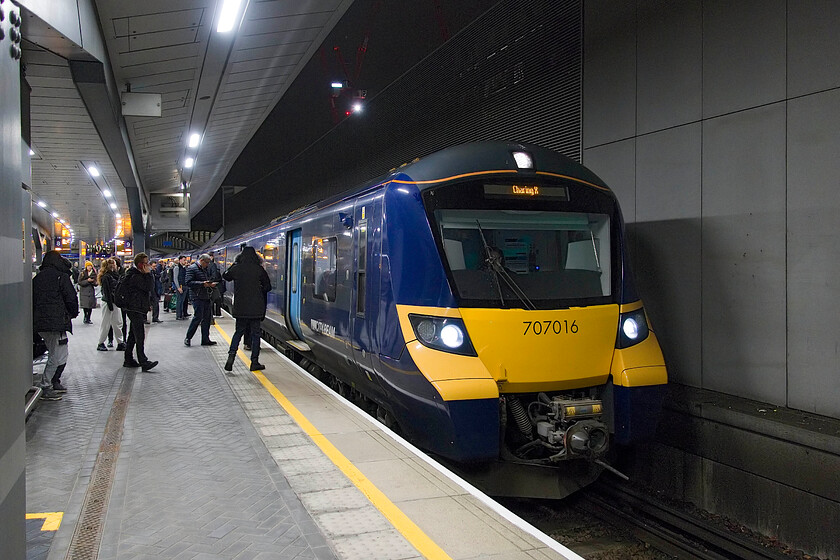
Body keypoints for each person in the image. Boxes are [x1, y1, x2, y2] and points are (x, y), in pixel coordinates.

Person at [32, 250, 79, 400]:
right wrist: (72, 313)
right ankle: (46, 386)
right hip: (56, 323)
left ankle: (53, 381)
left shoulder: (37, 278)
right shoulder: (61, 277)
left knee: (59, 352)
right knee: (56, 355)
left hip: (40, 323)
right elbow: (71, 298)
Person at [222, 246, 272, 371]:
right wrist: (258, 289)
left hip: (241, 307)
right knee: (255, 335)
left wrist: (235, 263)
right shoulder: (259, 270)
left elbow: (225, 275)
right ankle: (254, 362)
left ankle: (231, 357)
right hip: (256, 308)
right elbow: (268, 287)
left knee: (238, 332)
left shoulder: (236, 269)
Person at [121, 253, 158, 371]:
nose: (148, 265)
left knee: (133, 334)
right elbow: (149, 287)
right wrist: (148, 274)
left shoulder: (134, 275)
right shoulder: (136, 277)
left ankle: (128, 359)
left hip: (136, 308)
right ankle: (143, 361)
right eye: (146, 263)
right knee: (140, 335)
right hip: (134, 308)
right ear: (141, 265)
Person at [184, 254, 217, 347]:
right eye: (206, 263)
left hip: (206, 296)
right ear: (202, 260)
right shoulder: (192, 268)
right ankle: (188, 337)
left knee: (207, 318)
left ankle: (205, 339)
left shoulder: (204, 269)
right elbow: (188, 282)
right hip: (196, 296)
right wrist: (202, 284)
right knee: (197, 317)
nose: (207, 265)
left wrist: (210, 284)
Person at [96, 258, 125, 352]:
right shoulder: (106, 277)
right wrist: (110, 305)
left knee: (117, 323)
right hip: (108, 302)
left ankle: (120, 342)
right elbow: (107, 292)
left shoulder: (112, 276)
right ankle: (101, 342)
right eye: (112, 264)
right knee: (106, 323)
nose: (114, 266)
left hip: (113, 302)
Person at [173, 255, 190, 320]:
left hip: (185, 286)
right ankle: (179, 315)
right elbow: (175, 278)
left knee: (183, 301)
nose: (185, 261)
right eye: (184, 260)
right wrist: (178, 287)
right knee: (179, 301)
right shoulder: (177, 268)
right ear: (180, 260)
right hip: (180, 286)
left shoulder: (184, 268)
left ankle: (183, 314)